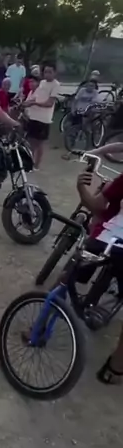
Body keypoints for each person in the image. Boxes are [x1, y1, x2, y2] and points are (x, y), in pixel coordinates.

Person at [75, 163, 123, 382]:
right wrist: (81, 188)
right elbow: (97, 206)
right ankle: (116, 368)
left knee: (69, 274)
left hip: (109, 239)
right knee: (71, 271)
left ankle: (41, 324)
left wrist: (81, 188)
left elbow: (96, 206)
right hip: (111, 238)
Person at [21, 63, 60, 169]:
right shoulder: (42, 83)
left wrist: (34, 103)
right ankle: (29, 162)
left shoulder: (55, 85)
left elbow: (49, 103)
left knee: (39, 143)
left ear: (55, 73)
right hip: (33, 116)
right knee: (30, 141)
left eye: (50, 72)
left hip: (44, 119)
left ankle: (37, 164)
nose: (47, 74)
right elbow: (36, 97)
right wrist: (27, 103)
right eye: (45, 72)